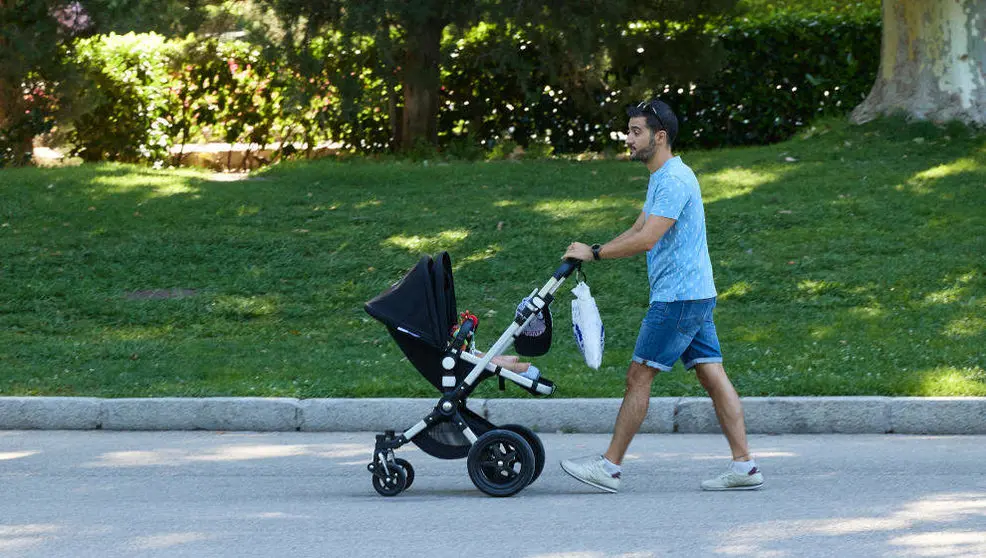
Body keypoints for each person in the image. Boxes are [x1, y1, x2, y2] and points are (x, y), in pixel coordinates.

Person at [559, 100, 763, 493]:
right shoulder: (664, 176)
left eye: (636, 132)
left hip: (678, 298)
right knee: (712, 374)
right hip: (694, 294)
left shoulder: (673, 180)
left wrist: (596, 254)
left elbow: (648, 240)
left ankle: (609, 467)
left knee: (639, 375)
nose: (628, 139)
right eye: (629, 131)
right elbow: (639, 227)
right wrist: (595, 249)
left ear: (660, 136)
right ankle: (745, 467)